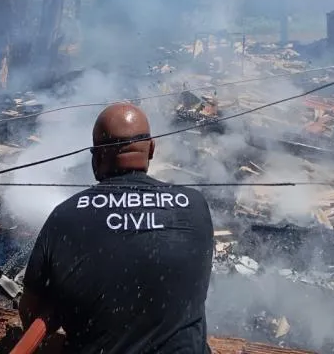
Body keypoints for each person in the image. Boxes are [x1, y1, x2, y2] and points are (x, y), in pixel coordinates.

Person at [19, 102, 214, 353]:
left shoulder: (66, 216)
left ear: (97, 155)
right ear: (151, 149)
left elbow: (31, 311)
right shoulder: (194, 206)